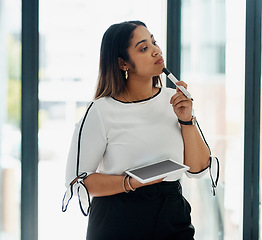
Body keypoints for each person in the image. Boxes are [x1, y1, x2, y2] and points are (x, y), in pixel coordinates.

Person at [61, 20, 216, 240]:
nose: (155, 51)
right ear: (123, 63)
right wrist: (130, 182)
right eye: (143, 48)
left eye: (154, 42)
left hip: (172, 218)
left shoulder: (174, 101)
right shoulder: (101, 111)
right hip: (118, 221)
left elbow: (198, 169)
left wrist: (187, 120)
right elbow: (77, 181)